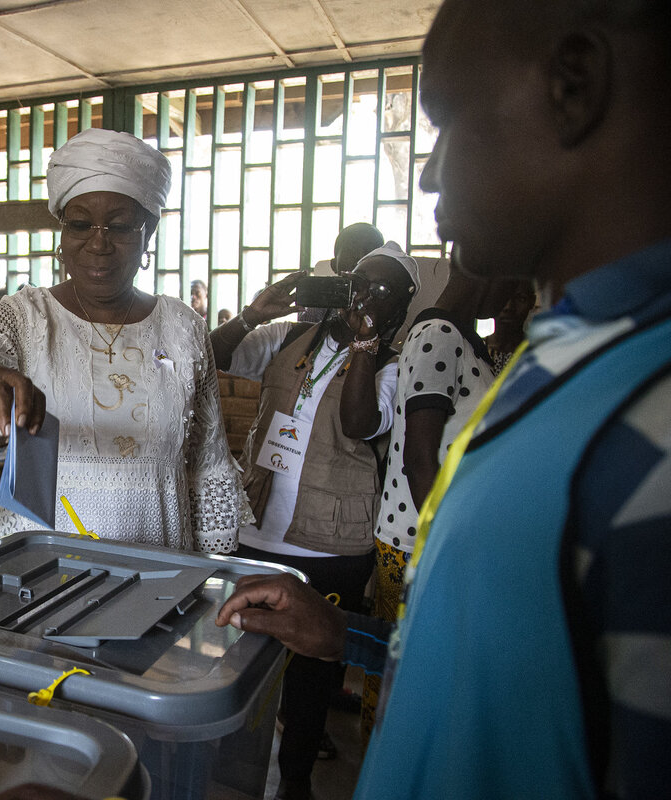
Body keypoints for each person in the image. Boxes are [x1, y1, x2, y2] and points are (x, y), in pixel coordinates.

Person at [215, 0, 671, 797]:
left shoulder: (652, 423)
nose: (428, 172)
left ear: (575, 84)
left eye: (448, 120)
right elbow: (502, 669)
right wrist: (346, 636)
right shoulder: (555, 365)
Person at [0, 128, 250, 552]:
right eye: (80, 224)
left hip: (159, 554)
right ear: (62, 235)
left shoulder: (182, 326)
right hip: (43, 558)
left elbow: (205, 457)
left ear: (148, 234)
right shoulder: (24, 318)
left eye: (120, 226)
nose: (99, 243)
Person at [209, 242, 418, 800]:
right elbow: (212, 358)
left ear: (399, 310)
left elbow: (359, 422)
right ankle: (230, 772)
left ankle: (296, 782)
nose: (365, 297)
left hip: (332, 543)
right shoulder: (288, 338)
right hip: (256, 528)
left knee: (311, 677)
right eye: (358, 283)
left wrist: (366, 342)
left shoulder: (397, 365)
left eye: (383, 293)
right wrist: (256, 312)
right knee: (236, 661)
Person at [359, 263, 518, 742]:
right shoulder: (438, 334)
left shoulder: (456, 335)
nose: (514, 298)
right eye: (514, 282)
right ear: (486, 268)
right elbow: (419, 459)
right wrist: (445, 546)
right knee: (403, 676)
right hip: (418, 540)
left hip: (426, 533)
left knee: (413, 671)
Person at [298, 222, 384, 324]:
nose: (360, 258)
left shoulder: (384, 302)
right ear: (334, 265)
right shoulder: (319, 305)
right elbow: (305, 335)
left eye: (369, 252)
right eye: (351, 251)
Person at [483, 280, 536, 374]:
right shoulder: (473, 350)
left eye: (520, 299)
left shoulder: (538, 354)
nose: (508, 307)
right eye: (501, 298)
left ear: (532, 302)